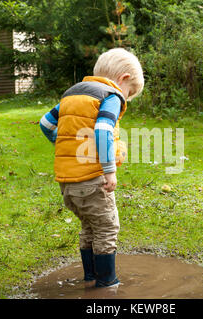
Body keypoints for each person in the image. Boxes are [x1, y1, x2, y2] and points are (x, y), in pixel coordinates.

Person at [39, 48, 144, 288]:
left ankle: (89, 277)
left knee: (88, 226)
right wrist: (109, 170)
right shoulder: (111, 95)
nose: (125, 99)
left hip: (67, 184)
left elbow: (46, 124)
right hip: (92, 180)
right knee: (107, 227)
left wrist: (66, 143)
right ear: (123, 79)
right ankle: (107, 283)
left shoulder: (72, 95)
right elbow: (104, 130)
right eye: (129, 94)